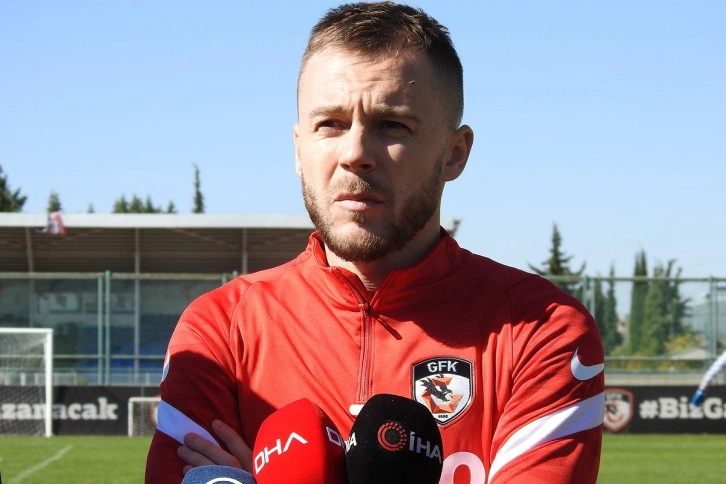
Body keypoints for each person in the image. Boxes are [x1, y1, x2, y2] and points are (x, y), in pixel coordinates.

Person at [145, 2, 605, 483]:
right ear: (298, 149)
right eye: (330, 124)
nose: (355, 153)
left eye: (392, 125)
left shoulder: (543, 331)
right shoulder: (220, 330)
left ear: (455, 153)